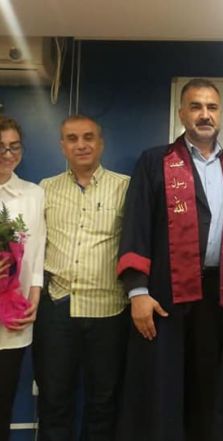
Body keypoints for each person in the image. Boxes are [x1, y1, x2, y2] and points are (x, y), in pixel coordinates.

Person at [116, 78, 223, 441]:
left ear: (220, 114)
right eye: (196, 106)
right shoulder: (155, 162)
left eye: (212, 107)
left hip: (218, 296)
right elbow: (136, 225)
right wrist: (137, 291)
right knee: (164, 387)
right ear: (181, 114)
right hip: (165, 293)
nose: (205, 115)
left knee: (209, 385)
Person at [34, 115, 130, 441]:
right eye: (72, 139)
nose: (81, 145)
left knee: (103, 402)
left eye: (88, 137)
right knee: (53, 399)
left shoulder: (125, 187)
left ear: (100, 143)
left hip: (109, 311)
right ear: (62, 146)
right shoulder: (45, 189)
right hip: (57, 310)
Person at [0, 117, 45, 441]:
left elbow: (38, 251)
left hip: (14, 318)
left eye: (14, 147)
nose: (7, 154)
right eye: (0, 147)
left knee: (3, 403)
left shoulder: (33, 194)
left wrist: (35, 298)